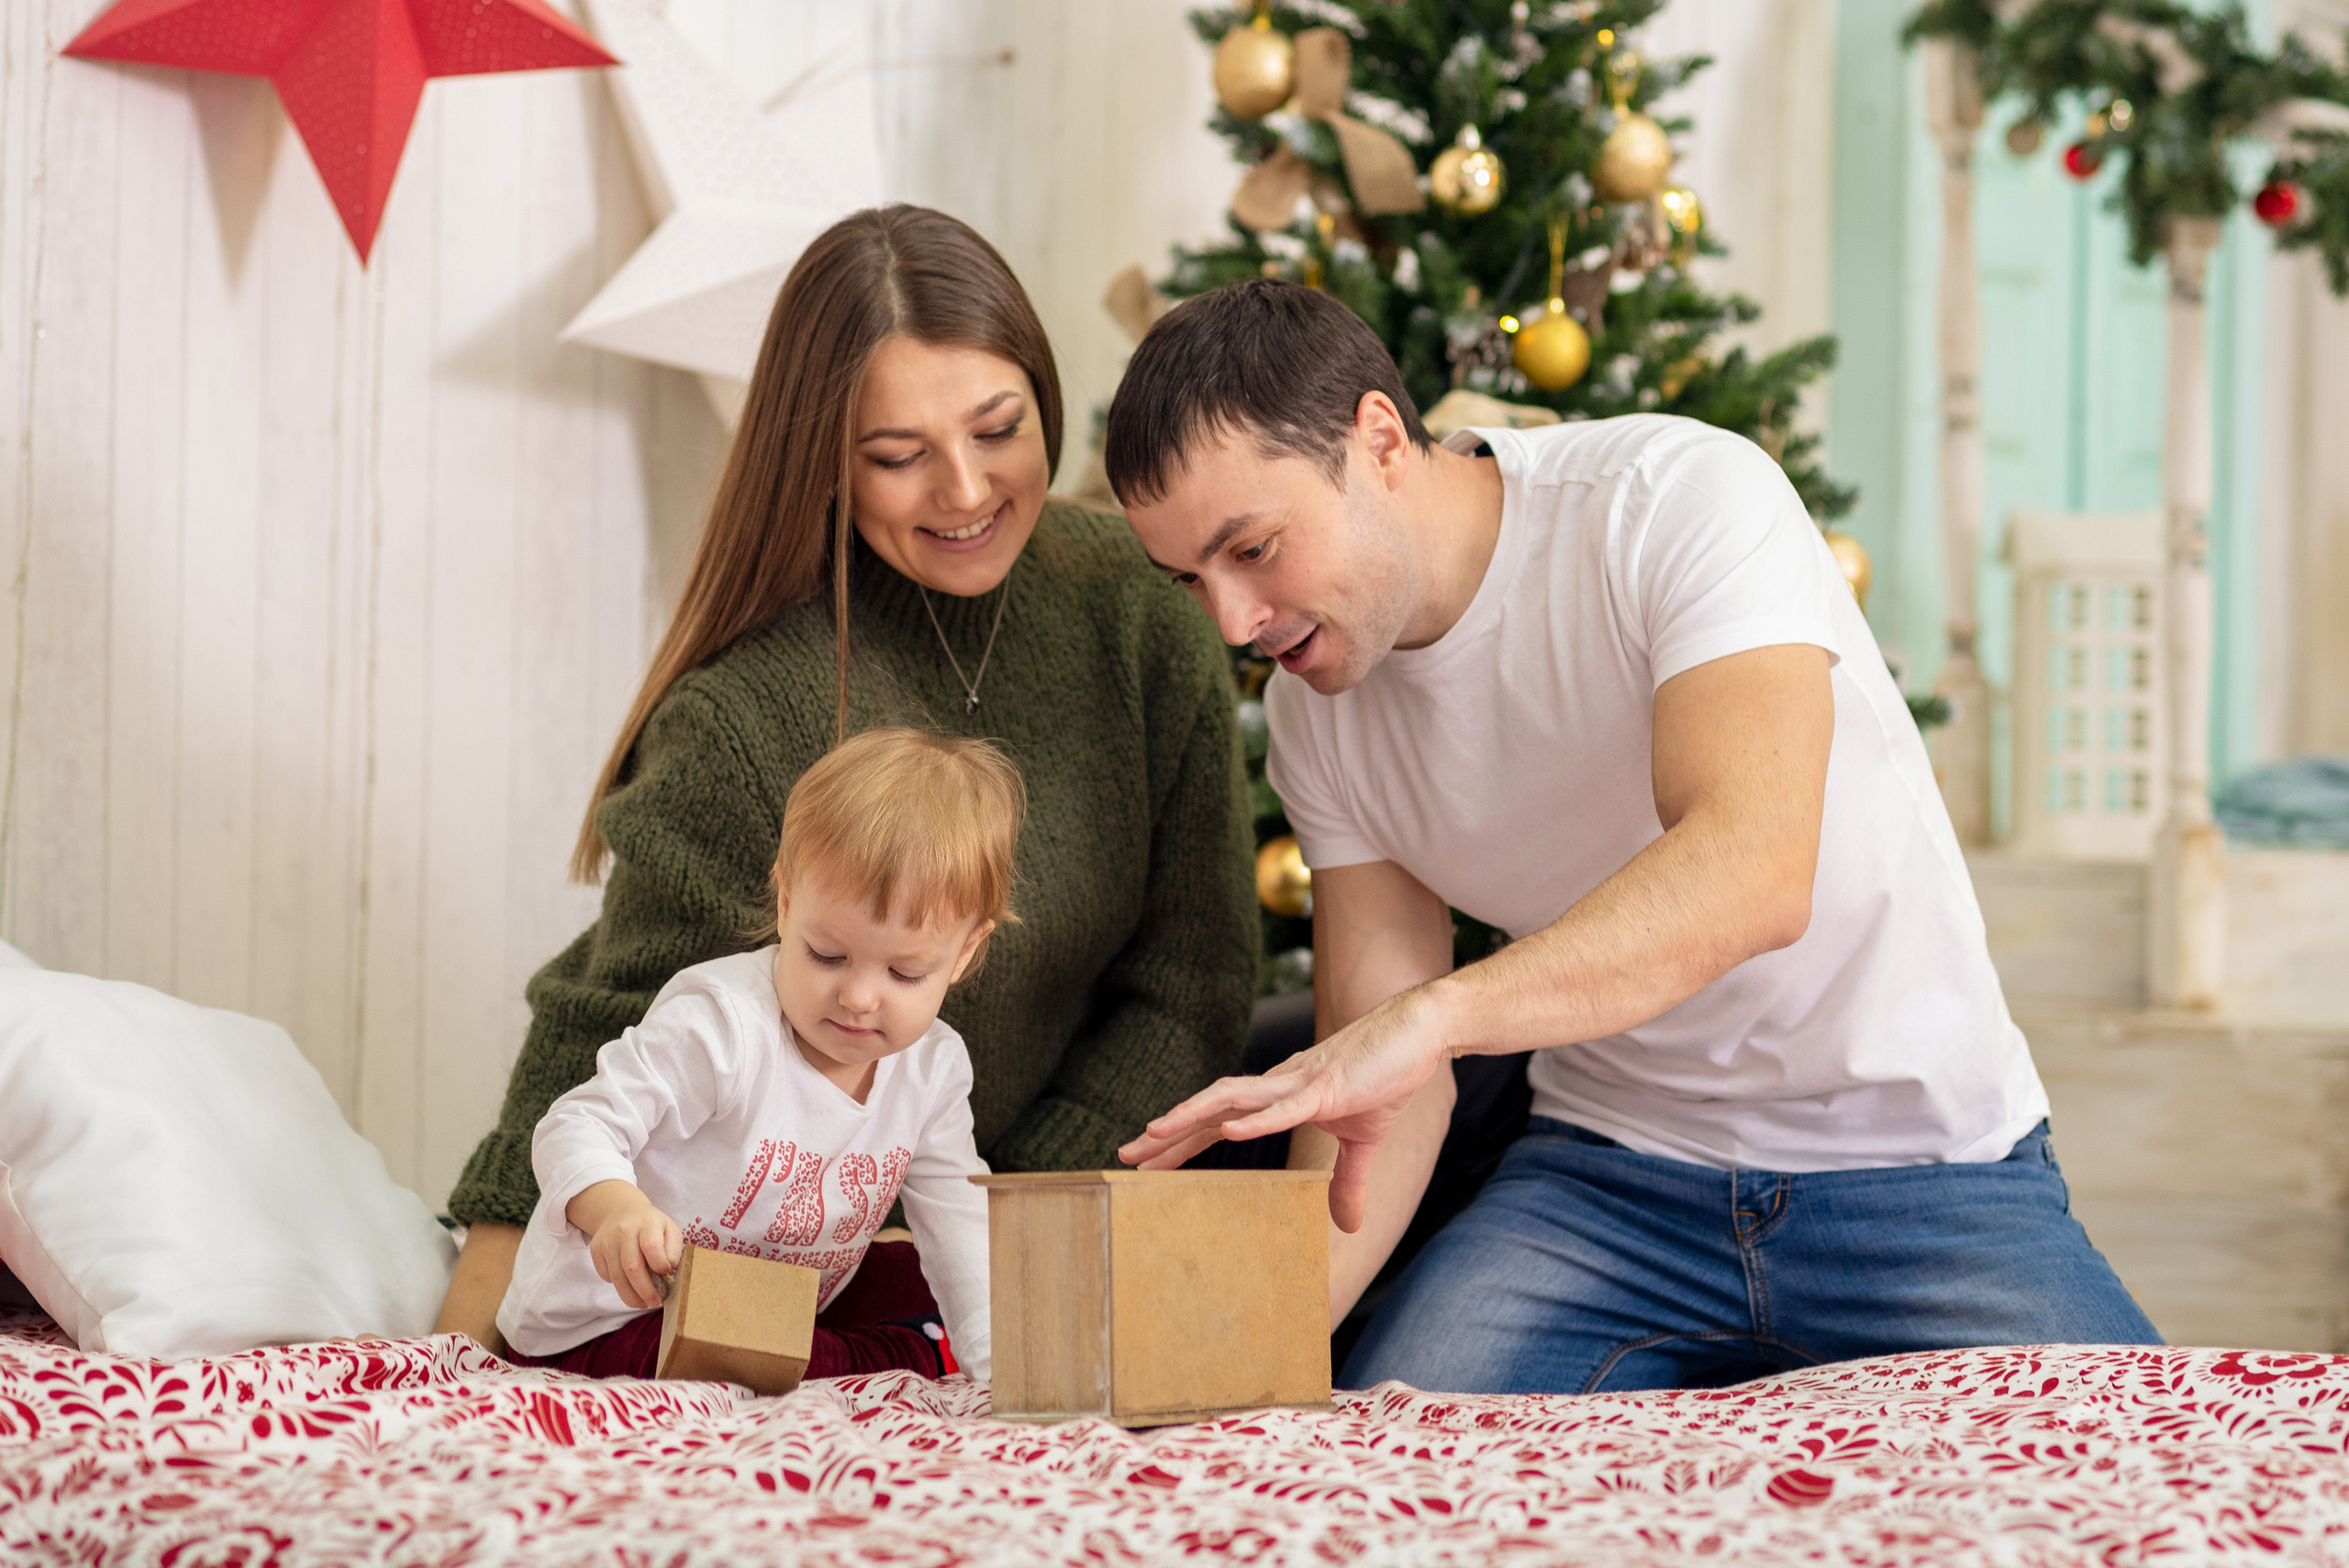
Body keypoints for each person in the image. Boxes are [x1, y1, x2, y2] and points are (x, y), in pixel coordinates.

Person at [1104, 278, 2159, 1396]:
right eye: (1192, 580)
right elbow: (1384, 1088)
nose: (1232, 621)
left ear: (1376, 439)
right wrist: (1239, 1369)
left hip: (1920, 1172)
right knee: (1382, 1487)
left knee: (2171, 1504)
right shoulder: (1316, 716)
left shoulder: (1675, 500)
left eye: (1253, 548)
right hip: (1605, 1190)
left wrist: (1436, 1018)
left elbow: (1749, 871)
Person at [433, 206, 1258, 1351]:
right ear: (826, 459)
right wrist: (463, 1350)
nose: (966, 489)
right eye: (898, 455)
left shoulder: (1142, 607)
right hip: (782, 1269)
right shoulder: (740, 716)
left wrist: (997, 1222)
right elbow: (612, 1037)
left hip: (1032, 1225)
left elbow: (1194, 979)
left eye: (998, 427)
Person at [500, 728, 1014, 1385]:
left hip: (773, 1300)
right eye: (826, 955)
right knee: (782, 1359)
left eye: (905, 973)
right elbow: (573, 1125)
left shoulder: (933, 1068)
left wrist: (1002, 1372)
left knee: (915, 1267)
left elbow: (960, 1226)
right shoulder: (723, 1024)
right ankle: (900, 1356)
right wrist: (616, 1209)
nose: (858, 996)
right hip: (611, 1324)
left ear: (966, 951)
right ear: (787, 901)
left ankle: (911, 1344)